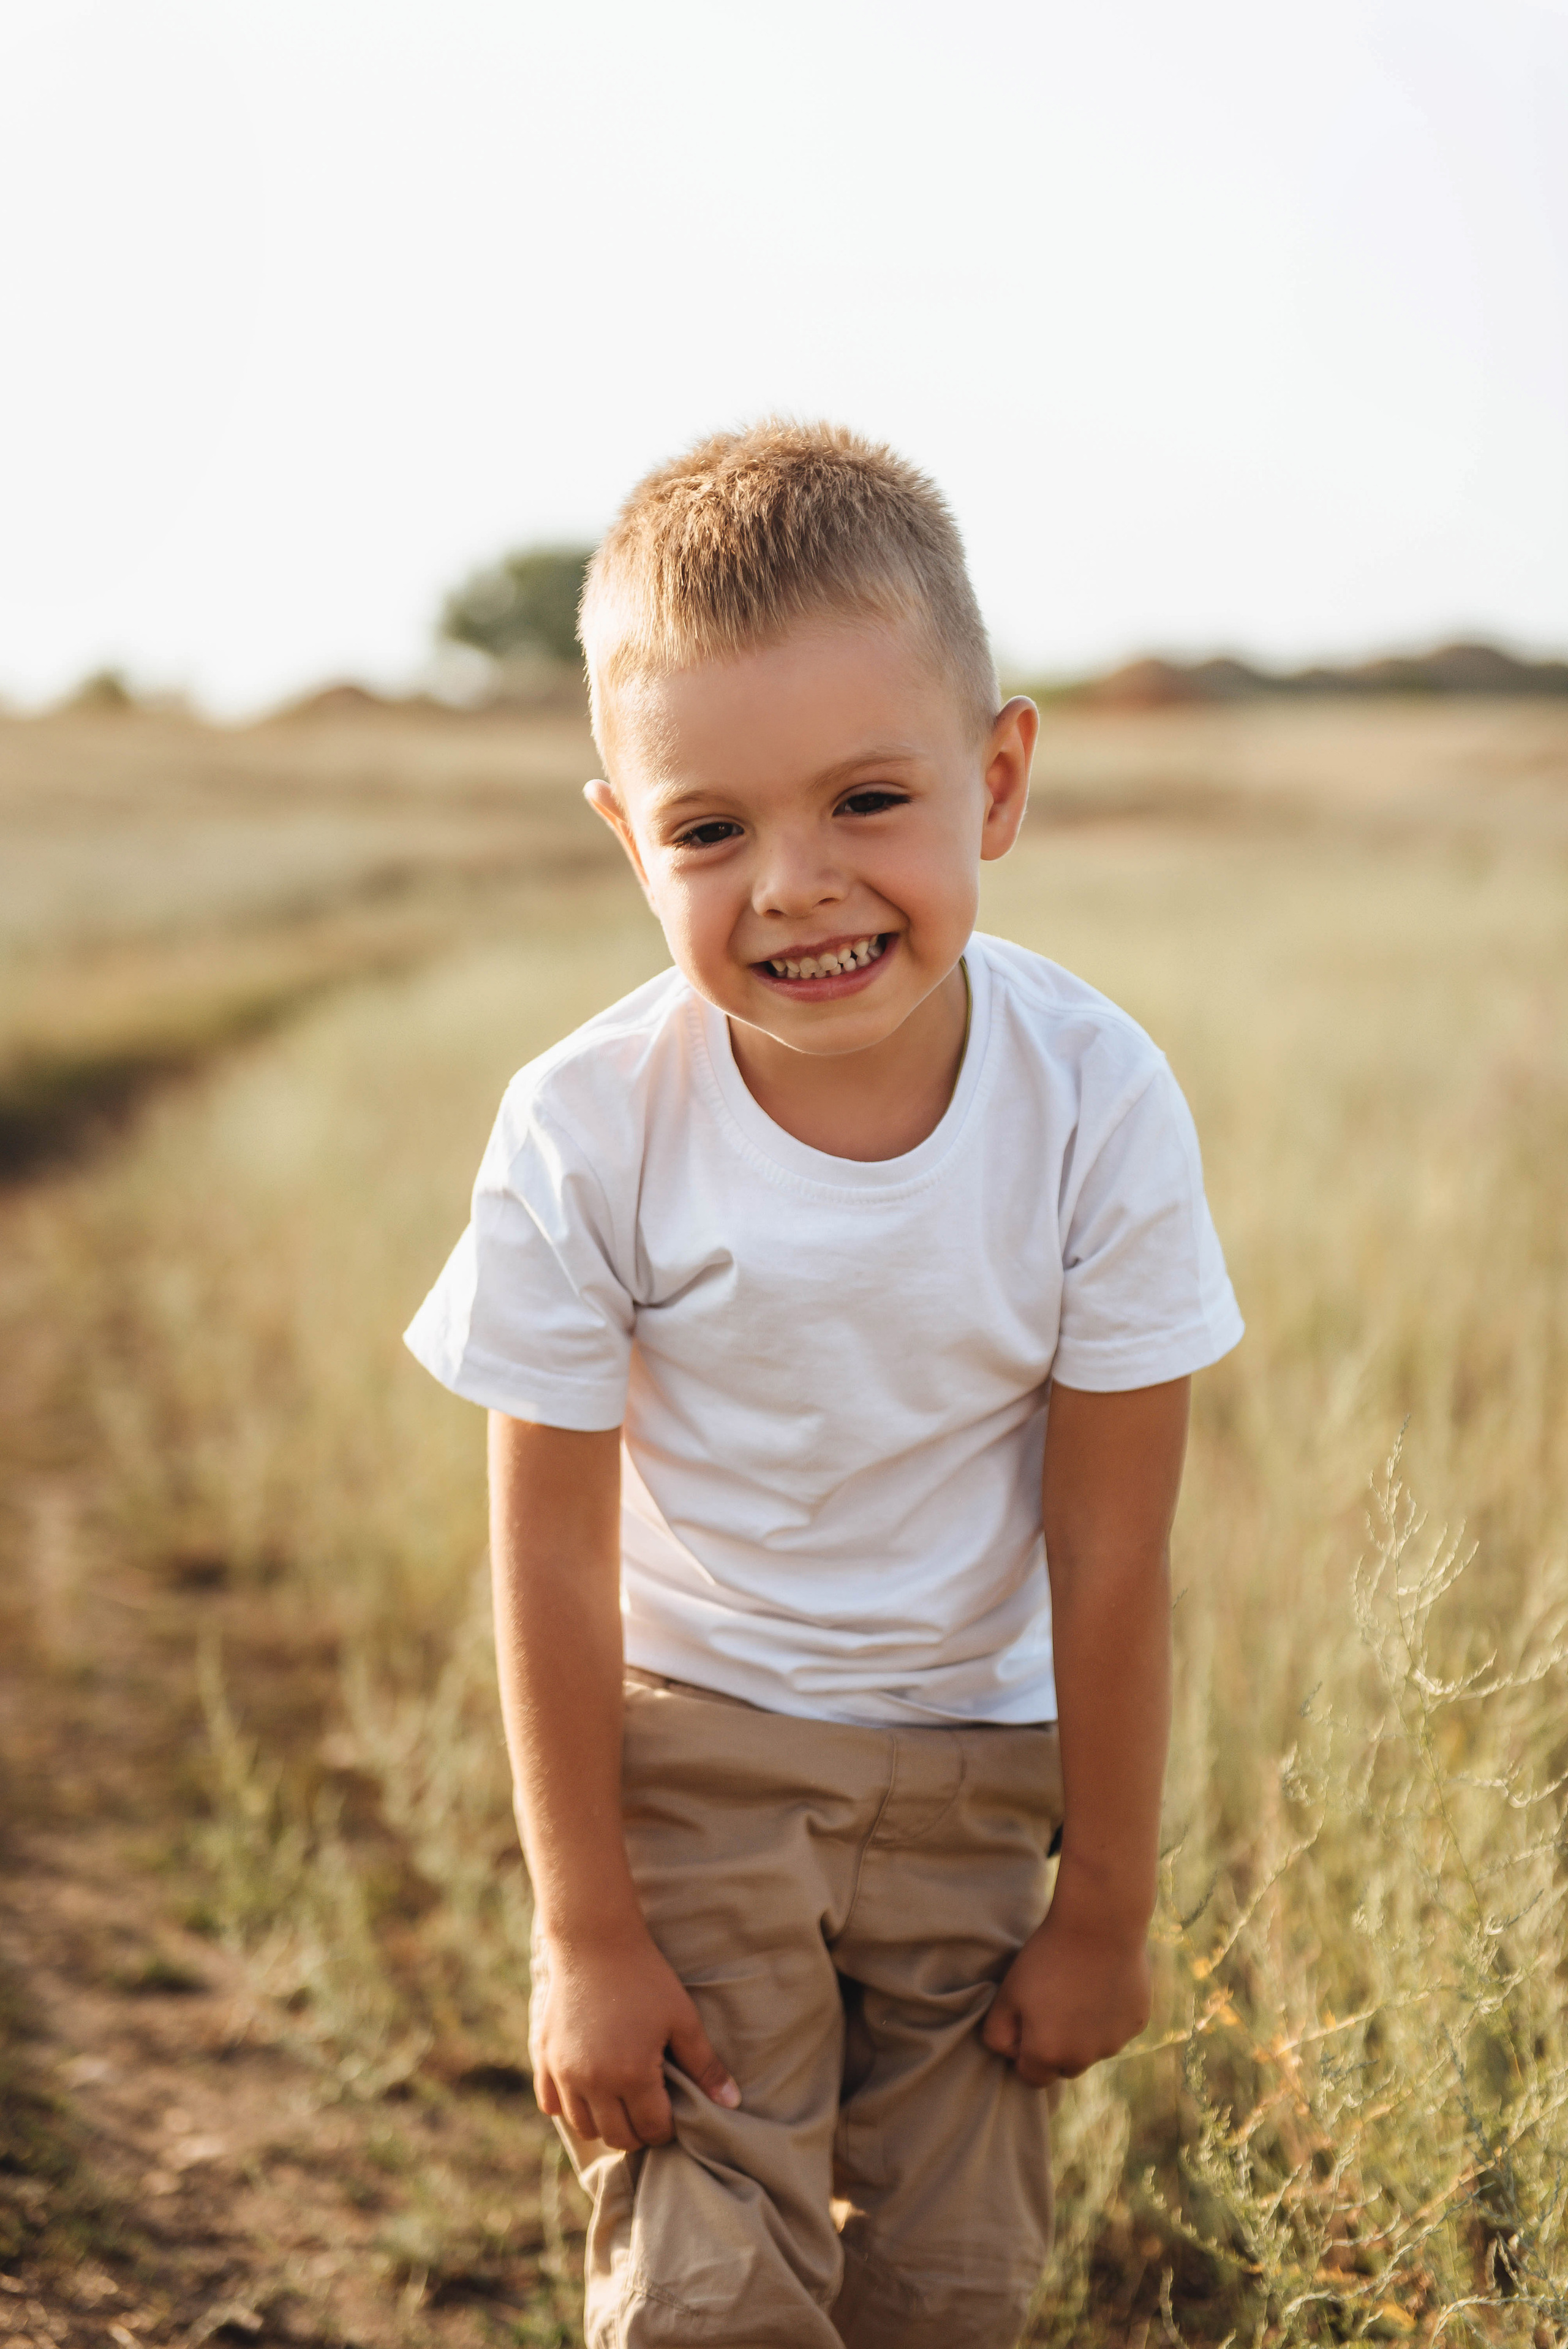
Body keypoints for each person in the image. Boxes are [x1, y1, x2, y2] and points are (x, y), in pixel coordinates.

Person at [405, 420, 1243, 2349]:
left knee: (955, 2288)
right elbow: (549, 1563)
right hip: (694, 1761)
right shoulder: (585, 1129)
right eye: (708, 830)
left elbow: (1113, 1546)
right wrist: (587, 1931)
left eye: (871, 798)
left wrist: (1105, 1900)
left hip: (978, 1774)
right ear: (627, 835)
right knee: (711, 2290)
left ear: (999, 778)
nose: (796, 884)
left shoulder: (1095, 1101)